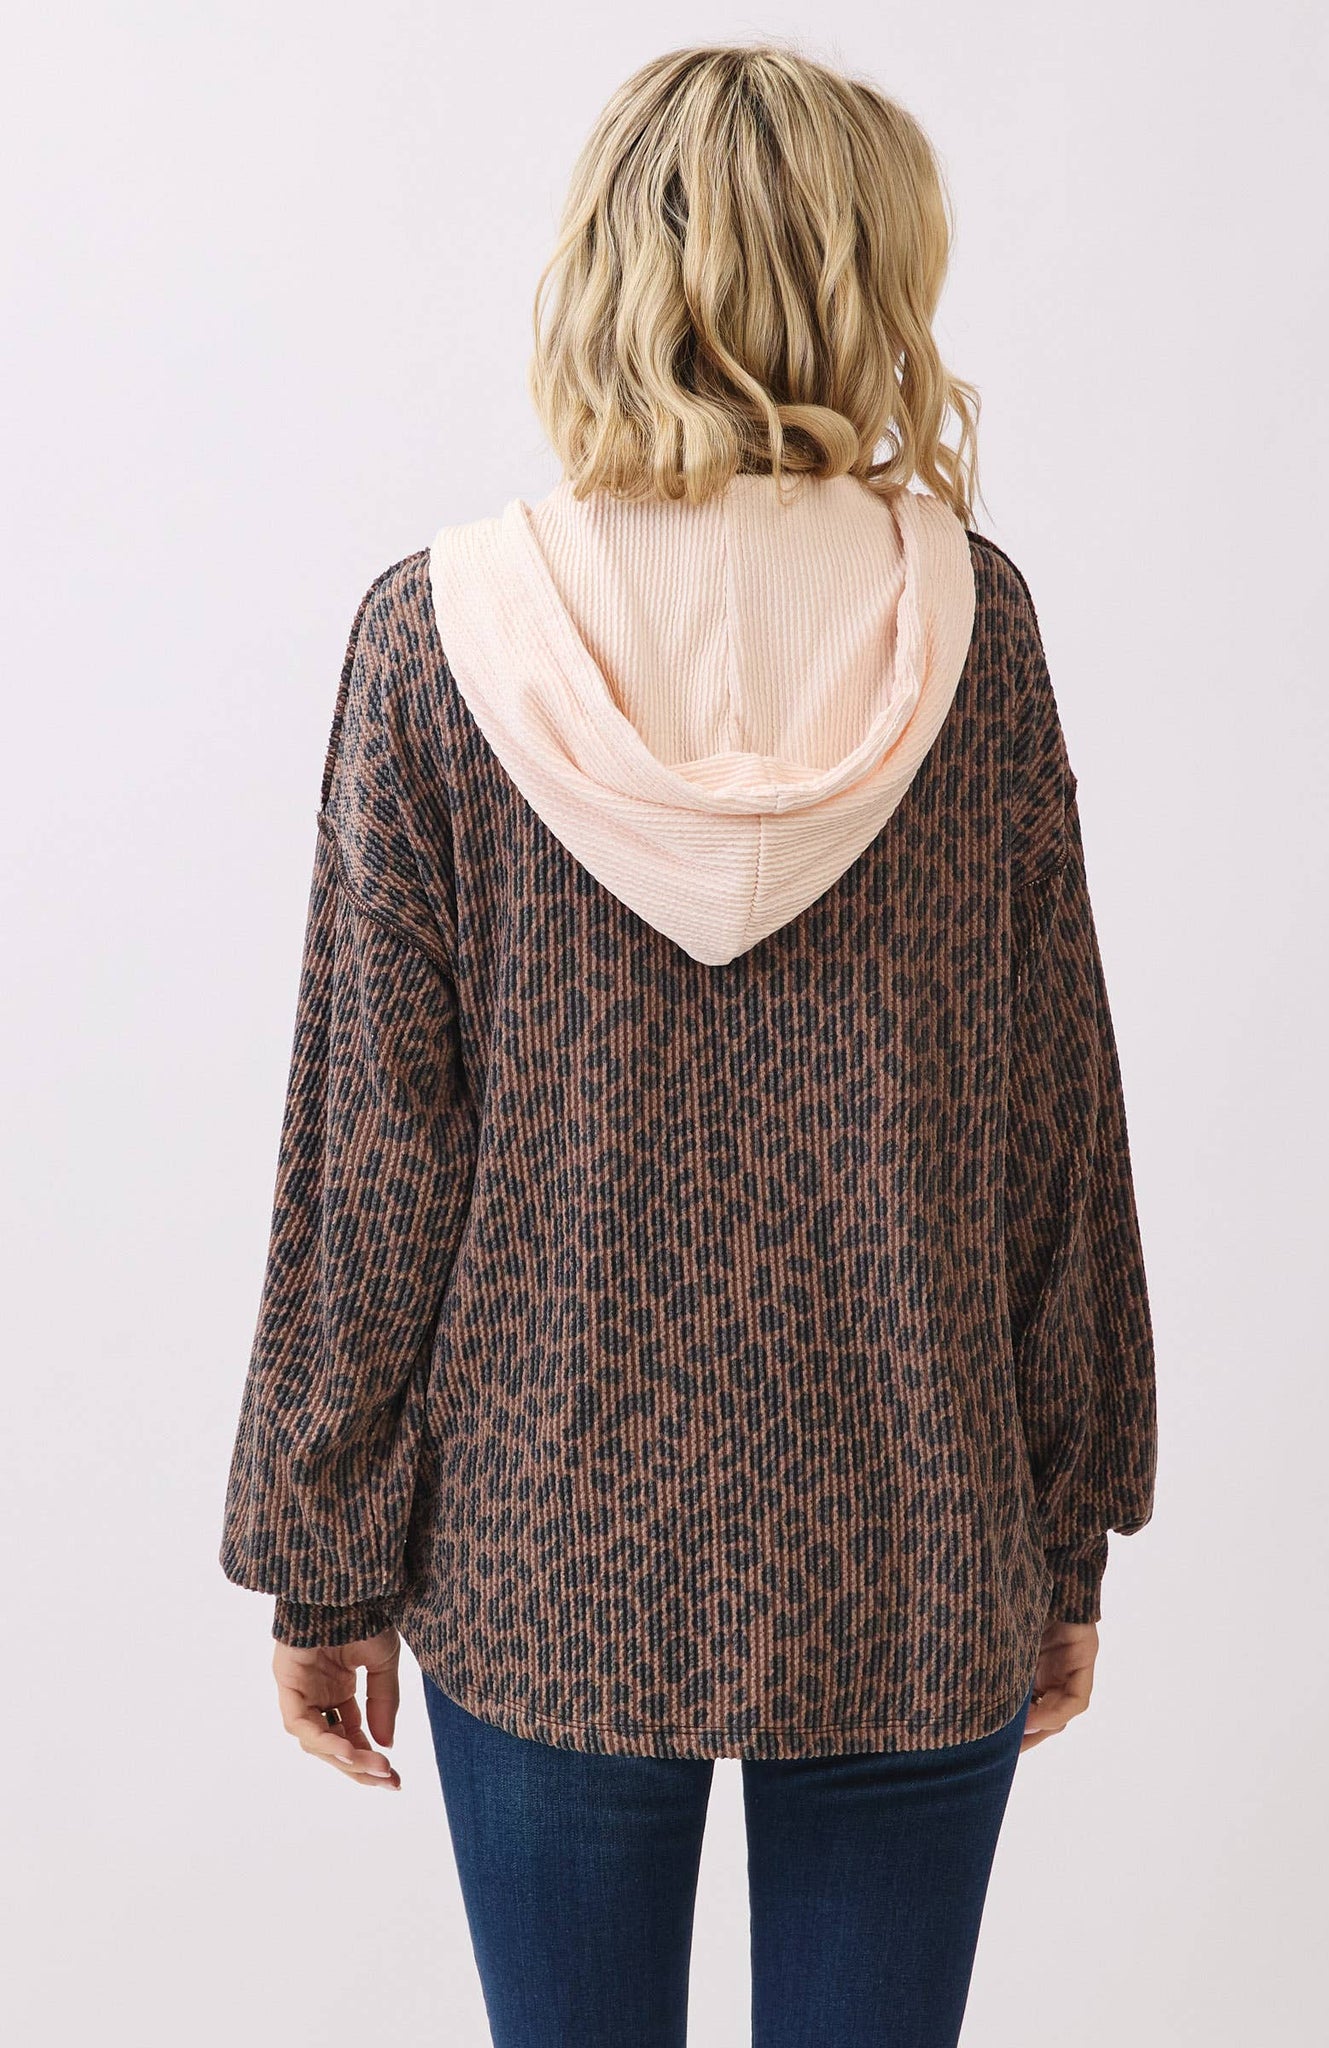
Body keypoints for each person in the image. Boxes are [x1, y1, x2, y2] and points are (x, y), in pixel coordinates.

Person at [219, 40, 1159, 2048]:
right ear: (868, 272)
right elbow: (1052, 1136)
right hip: (915, 1538)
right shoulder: (969, 635)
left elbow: (371, 1160)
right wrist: (1062, 1531)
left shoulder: (436, 642)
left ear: (598, 270)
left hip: (540, 1555)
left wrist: (325, 1563)